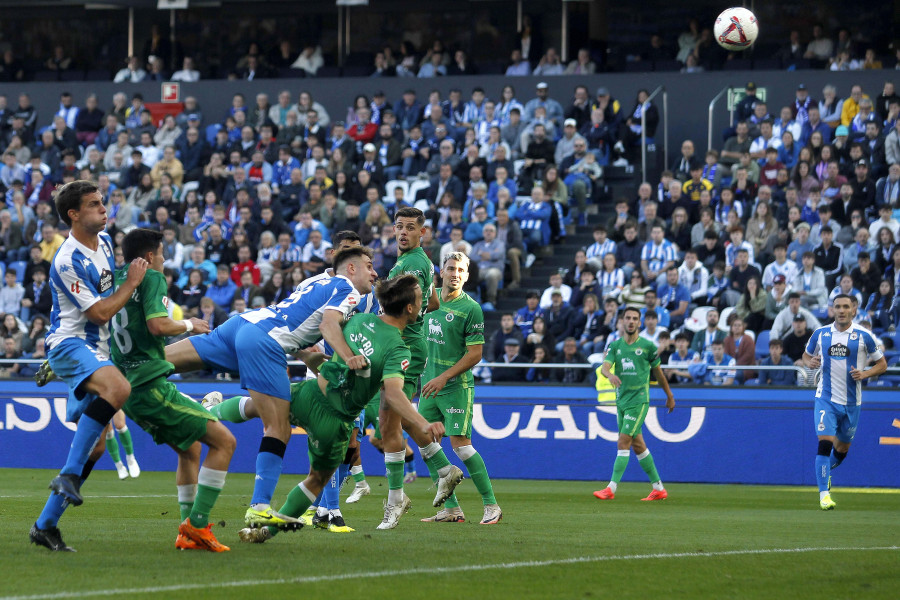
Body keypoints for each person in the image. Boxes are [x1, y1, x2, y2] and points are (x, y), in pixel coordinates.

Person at [210, 275, 448, 543]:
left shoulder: (357, 319)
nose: (424, 302)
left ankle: (209, 413)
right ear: (410, 309)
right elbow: (393, 394)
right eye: (420, 299)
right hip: (334, 421)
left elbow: (325, 328)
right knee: (317, 479)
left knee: (258, 405)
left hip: (311, 393)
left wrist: (307, 355)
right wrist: (422, 423)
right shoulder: (398, 350)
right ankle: (263, 532)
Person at [163, 247, 379, 531]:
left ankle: (119, 370)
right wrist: (349, 356)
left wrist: (313, 361)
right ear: (351, 268)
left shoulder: (314, 283)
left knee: (157, 364)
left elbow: (299, 329)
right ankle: (260, 506)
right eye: (369, 265)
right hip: (264, 341)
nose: (374, 272)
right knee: (278, 427)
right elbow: (327, 325)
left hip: (242, 324)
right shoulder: (348, 289)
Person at [30, 181, 149, 552]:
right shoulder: (67, 259)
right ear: (73, 214)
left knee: (97, 449)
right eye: (94, 204)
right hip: (70, 343)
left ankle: (45, 525)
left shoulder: (107, 243)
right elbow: (98, 311)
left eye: (103, 202)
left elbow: (107, 295)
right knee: (119, 389)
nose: (104, 208)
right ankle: (67, 474)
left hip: (97, 348)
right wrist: (132, 283)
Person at [107, 228, 235, 550]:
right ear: (150, 256)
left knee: (190, 448)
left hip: (129, 387)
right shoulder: (151, 277)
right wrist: (192, 324)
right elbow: (158, 325)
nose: (164, 260)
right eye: (162, 254)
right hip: (149, 385)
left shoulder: (115, 279)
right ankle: (199, 526)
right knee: (225, 442)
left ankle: (185, 532)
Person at [378, 206, 459, 528]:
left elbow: (389, 302)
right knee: (394, 422)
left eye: (410, 228)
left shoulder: (411, 262)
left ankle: (396, 500)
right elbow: (435, 302)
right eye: (399, 226)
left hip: (405, 347)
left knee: (389, 423)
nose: (403, 232)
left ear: (422, 233)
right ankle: (443, 469)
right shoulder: (423, 262)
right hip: (412, 345)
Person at [417, 252, 500, 524]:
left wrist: (444, 377)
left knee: (461, 447)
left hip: (456, 388)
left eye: (460, 270)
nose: (455, 274)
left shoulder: (471, 308)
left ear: (466, 276)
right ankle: (451, 509)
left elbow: (475, 354)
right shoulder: (427, 301)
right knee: (426, 444)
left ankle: (491, 506)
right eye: (451, 268)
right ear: (441, 271)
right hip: (429, 385)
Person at [802, 295, 887, 510]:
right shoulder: (821, 334)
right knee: (824, 444)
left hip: (852, 403)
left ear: (853, 309)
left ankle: (824, 474)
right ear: (832, 309)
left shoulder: (864, 336)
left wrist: (865, 374)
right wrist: (809, 362)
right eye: (837, 306)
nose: (841, 310)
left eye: (845, 307)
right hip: (826, 399)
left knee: (841, 451)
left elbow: (882, 364)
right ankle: (824, 495)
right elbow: (806, 355)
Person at [594, 307, 675, 501]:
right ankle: (659, 488)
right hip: (621, 401)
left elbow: (659, 374)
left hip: (638, 401)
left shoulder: (648, 346)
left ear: (639, 323)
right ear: (622, 321)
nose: (631, 321)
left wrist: (669, 396)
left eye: (635, 319)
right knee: (638, 445)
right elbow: (605, 367)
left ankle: (611, 489)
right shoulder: (615, 346)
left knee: (623, 441)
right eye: (628, 318)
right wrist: (610, 374)